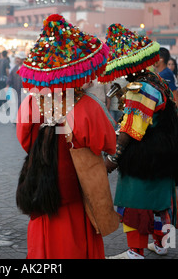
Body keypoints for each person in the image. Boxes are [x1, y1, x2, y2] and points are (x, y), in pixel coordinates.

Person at [99, 24, 178, 259]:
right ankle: (162, 245)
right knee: (162, 204)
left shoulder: (142, 88)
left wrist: (112, 160)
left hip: (145, 157)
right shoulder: (157, 80)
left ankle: (134, 251)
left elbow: (131, 131)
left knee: (134, 203)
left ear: (128, 66)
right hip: (164, 153)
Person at [16, 14, 117, 259]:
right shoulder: (85, 106)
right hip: (76, 187)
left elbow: (24, 139)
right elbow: (108, 143)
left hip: (42, 183)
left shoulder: (32, 102)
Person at [154, 47, 178, 122]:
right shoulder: (162, 73)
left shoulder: (166, 74)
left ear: (161, 59)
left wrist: (177, 115)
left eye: (155, 57)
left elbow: (175, 93)